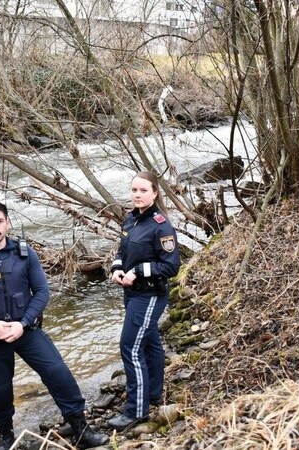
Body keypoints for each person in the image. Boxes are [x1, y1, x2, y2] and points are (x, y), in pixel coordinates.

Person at [0, 201, 108, 450]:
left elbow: (42, 292)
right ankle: (5, 435)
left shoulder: (24, 254)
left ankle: (81, 429)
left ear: (7, 223)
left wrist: (23, 324)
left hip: (27, 330)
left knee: (58, 373)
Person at [107, 171, 181, 431]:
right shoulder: (130, 220)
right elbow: (122, 251)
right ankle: (153, 395)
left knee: (130, 347)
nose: (137, 195)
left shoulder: (161, 225)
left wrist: (137, 272)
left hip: (150, 294)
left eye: (143, 191)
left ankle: (135, 412)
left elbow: (171, 267)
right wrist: (117, 269)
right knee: (149, 341)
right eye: (134, 190)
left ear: (155, 193)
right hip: (131, 292)